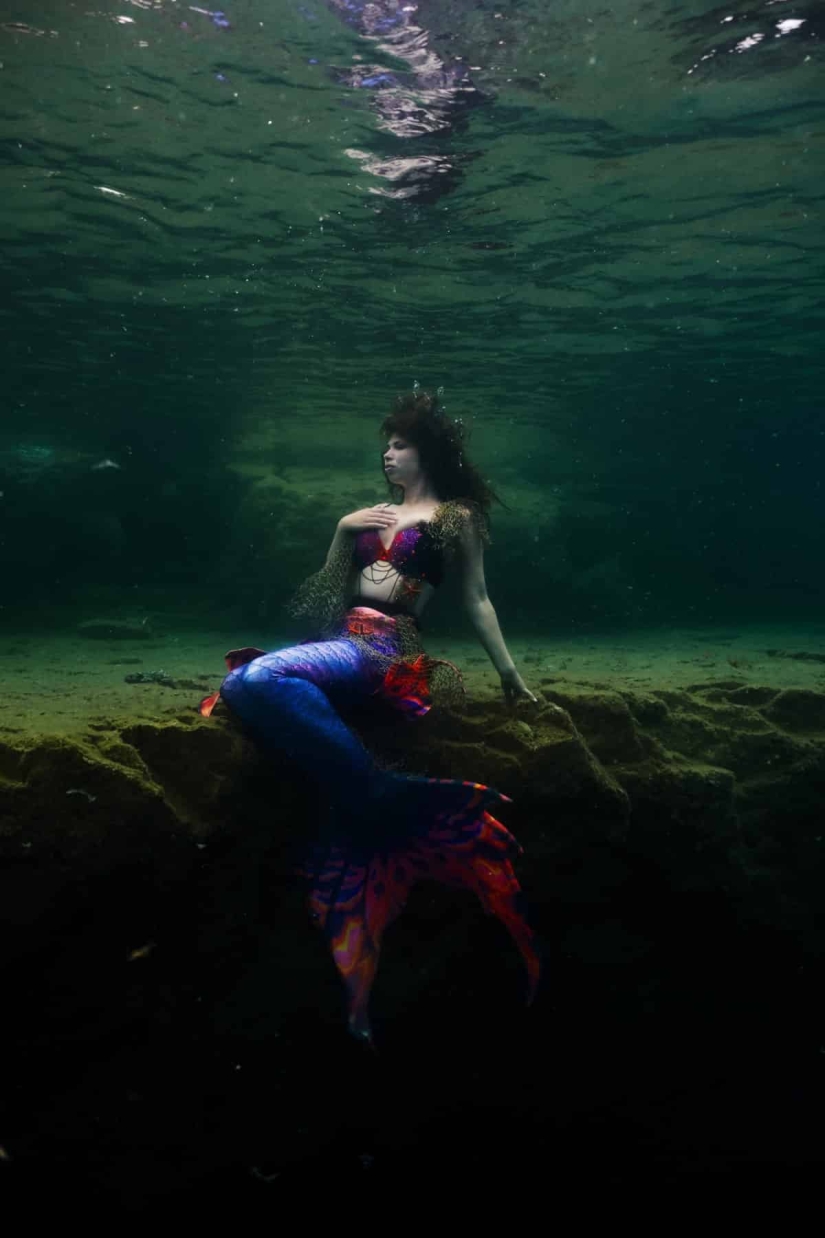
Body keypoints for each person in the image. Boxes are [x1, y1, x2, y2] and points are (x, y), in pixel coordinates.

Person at [201, 390, 541, 1042]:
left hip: (389, 647)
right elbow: (321, 598)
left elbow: (476, 599)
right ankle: (367, 795)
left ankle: (374, 791)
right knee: (246, 680)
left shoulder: (455, 516)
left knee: (258, 677)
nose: (387, 454)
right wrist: (340, 532)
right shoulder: (367, 515)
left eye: (399, 444)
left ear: (427, 451)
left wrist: (510, 676)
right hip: (342, 643)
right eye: (384, 445)